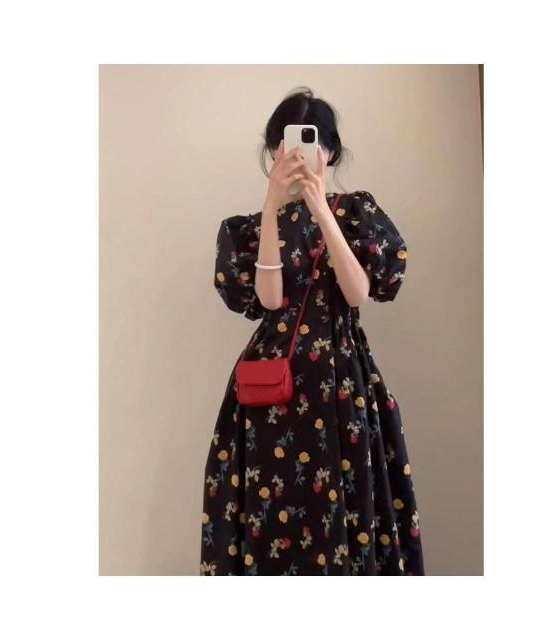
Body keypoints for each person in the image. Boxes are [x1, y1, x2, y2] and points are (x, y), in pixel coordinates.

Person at [199, 88, 424, 575]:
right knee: (273, 509)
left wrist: (322, 209)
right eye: (287, 144)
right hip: (271, 391)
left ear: (331, 152)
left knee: (348, 504)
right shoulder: (249, 228)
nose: (299, 155)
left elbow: (359, 293)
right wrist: (271, 208)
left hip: (341, 381)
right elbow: (269, 300)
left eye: (312, 142)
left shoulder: (356, 212)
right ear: (274, 151)